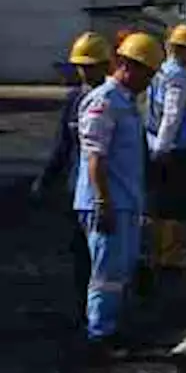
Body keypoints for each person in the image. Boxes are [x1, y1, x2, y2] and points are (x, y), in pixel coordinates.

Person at [75, 32, 164, 362]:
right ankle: (99, 337)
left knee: (118, 270)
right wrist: (103, 201)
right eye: (147, 73)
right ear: (127, 66)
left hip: (123, 201)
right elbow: (94, 157)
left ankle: (109, 328)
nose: (149, 81)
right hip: (107, 202)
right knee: (106, 274)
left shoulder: (124, 102)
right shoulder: (105, 101)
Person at [30, 33, 113, 325]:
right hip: (77, 190)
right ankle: (86, 310)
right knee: (81, 255)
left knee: (106, 258)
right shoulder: (75, 101)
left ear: (106, 66)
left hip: (108, 190)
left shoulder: (115, 100)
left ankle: (102, 317)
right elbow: (62, 145)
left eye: (91, 66)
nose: (85, 72)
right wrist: (46, 178)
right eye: (81, 66)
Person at [144, 23, 186, 271]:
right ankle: (170, 255)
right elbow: (172, 115)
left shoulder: (161, 72)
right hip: (174, 150)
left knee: (158, 203)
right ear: (183, 50)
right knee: (177, 206)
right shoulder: (178, 76)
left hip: (156, 143)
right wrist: (163, 149)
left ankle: (158, 251)